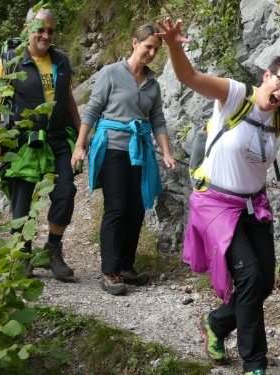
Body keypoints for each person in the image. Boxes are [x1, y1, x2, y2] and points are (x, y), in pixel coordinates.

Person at [156, 17, 280, 375]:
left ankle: (217, 324)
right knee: (251, 278)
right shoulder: (236, 95)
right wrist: (174, 46)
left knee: (264, 282)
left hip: (254, 205)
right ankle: (255, 363)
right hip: (216, 204)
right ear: (267, 75)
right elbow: (189, 78)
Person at [71, 23, 176, 296]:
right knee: (116, 208)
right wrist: (79, 144)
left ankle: (126, 266)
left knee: (136, 208)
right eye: (147, 46)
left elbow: (157, 120)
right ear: (134, 43)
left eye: (156, 49)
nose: (151, 52)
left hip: (139, 148)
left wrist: (166, 152)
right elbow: (92, 110)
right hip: (112, 148)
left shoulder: (152, 84)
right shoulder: (110, 73)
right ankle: (110, 271)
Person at [0, 8, 82, 280]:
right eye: (40, 29)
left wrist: (82, 136)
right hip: (22, 140)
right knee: (22, 200)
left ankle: (53, 249)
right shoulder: (11, 61)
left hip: (57, 139)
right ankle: (22, 253)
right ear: (27, 27)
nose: (46, 35)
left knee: (65, 192)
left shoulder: (62, 61)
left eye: (51, 30)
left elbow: (69, 100)